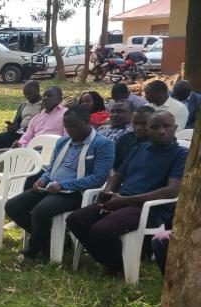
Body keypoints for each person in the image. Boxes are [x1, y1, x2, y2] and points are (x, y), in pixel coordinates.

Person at [66, 111, 187, 276]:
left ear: (175, 128)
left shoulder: (181, 155)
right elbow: (118, 176)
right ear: (148, 130)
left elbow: (172, 190)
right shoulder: (141, 148)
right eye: (155, 127)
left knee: (101, 230)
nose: (161, 131)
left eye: (167, 126)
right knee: (75, 219)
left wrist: (125, 200)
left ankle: (117, 267)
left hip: (148, 208)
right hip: (121, 200)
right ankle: (111, 260)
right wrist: (108, 191)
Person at [4, 105, 114, 262]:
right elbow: (52, 167)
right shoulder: (63, 142)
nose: (69, 130)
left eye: (73, 126)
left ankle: (33, 250)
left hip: (76, 192)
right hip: (51, 186)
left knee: (40, 211)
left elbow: (99, 178)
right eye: (66, 126)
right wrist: (43, 179)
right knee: (12, 206)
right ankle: (49, 239)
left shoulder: (103, 144)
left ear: (87, 121)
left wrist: (65, 185)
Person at [0, 80, 43, 162]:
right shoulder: (24, 105)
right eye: (25, 94)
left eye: (29, 94)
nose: (27, 97)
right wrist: (12, 127)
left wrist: (30, 129)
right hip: (19, 133)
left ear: (37, 90)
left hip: (33, 135)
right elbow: (17, 123)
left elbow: (45, 122)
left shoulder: (44, 105)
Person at [113, 105, 154, 170]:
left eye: (144, 123)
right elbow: (114, 167)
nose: (138, 128)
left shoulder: (160, 143)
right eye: (135, 123)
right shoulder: (123, 140)